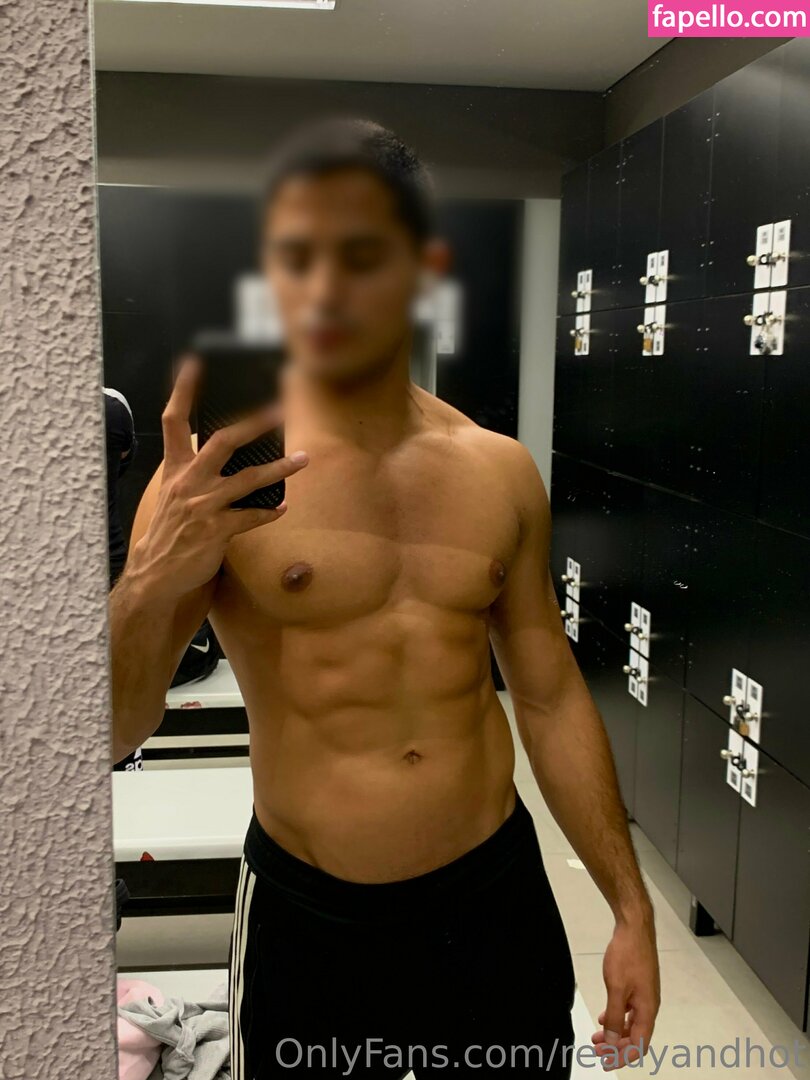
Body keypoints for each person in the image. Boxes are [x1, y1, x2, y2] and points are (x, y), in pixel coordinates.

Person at [109, 118, 660, 1078]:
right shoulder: (217, 477)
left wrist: (630, 906)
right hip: (310, 914)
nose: (325, 287)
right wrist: (151, 574)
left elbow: (548, 694)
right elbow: (115, 726)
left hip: (492, 896)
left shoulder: (499, 470)